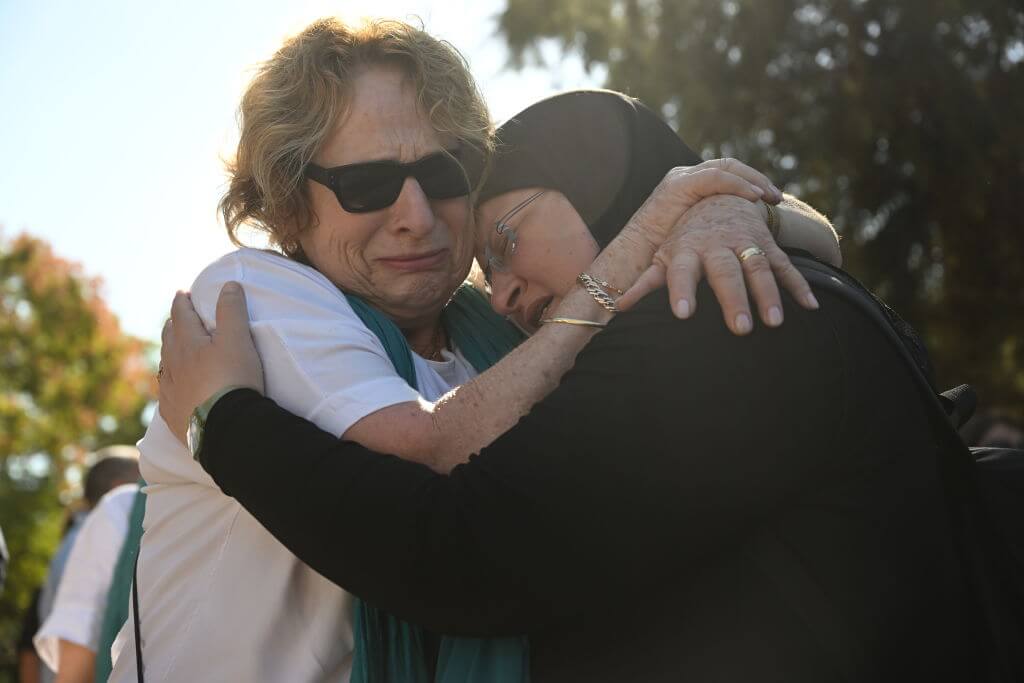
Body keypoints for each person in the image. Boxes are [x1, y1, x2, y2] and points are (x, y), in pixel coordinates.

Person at [159, 89, 975, 682]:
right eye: (489, 268)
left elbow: (459, 550)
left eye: (506, 239)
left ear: (613, 194)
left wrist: (224, 423)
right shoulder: (753, 290)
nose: (502, 293)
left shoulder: (715, 314)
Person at [31, 447, 139, 683]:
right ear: (119, 485)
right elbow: (78, 638)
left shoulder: (71, 542)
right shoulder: (118, 518)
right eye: (142, 476)